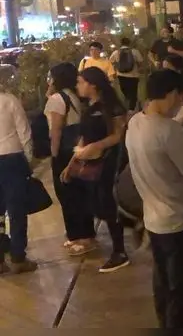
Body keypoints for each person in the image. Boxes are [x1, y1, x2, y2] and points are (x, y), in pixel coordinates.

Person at [126, 70, 183, 328]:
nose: (182, 103)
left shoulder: (135, 123)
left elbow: (173, 160)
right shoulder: (168, 129)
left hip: (156, 224)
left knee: (167, 290)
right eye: (182, 97)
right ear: (170, 94)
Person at [72, 67, 130, 273]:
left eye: (81, 81)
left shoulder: (110, 106)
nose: (78, 85)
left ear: (93, 84)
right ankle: (133, 224)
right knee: (97, 204)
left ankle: (120, 251)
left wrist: (97, 146)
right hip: (91, 162)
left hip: (110, 160)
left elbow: (117, 135)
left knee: (108, 202)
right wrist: (74, 161)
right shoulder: (88, 107)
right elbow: (83, 136)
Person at [45, 62, 95, 257]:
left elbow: (56, 130)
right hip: (76, 149)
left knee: (67, 194)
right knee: (79, 193)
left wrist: (54, 154)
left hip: (63, 152)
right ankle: (82, 235)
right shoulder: (73, 95)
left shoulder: (57, 98)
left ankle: (79, 237)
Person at [0, 83, 36, 274]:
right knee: (16, 211)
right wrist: (28, 160)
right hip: (11, 159)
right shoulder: (10, 101)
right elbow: (25, 133)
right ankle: (18, 257)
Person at [111, 37, 143, 111]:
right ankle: (132, 109)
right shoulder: (135, 51)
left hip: (121, 76)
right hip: (134, 76)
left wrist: (115, 69)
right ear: (129, 43)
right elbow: (140, 62)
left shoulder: (116, 52)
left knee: (125, 91)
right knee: (133, 92)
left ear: (121, 43)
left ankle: (128, 103)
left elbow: (111, 62)